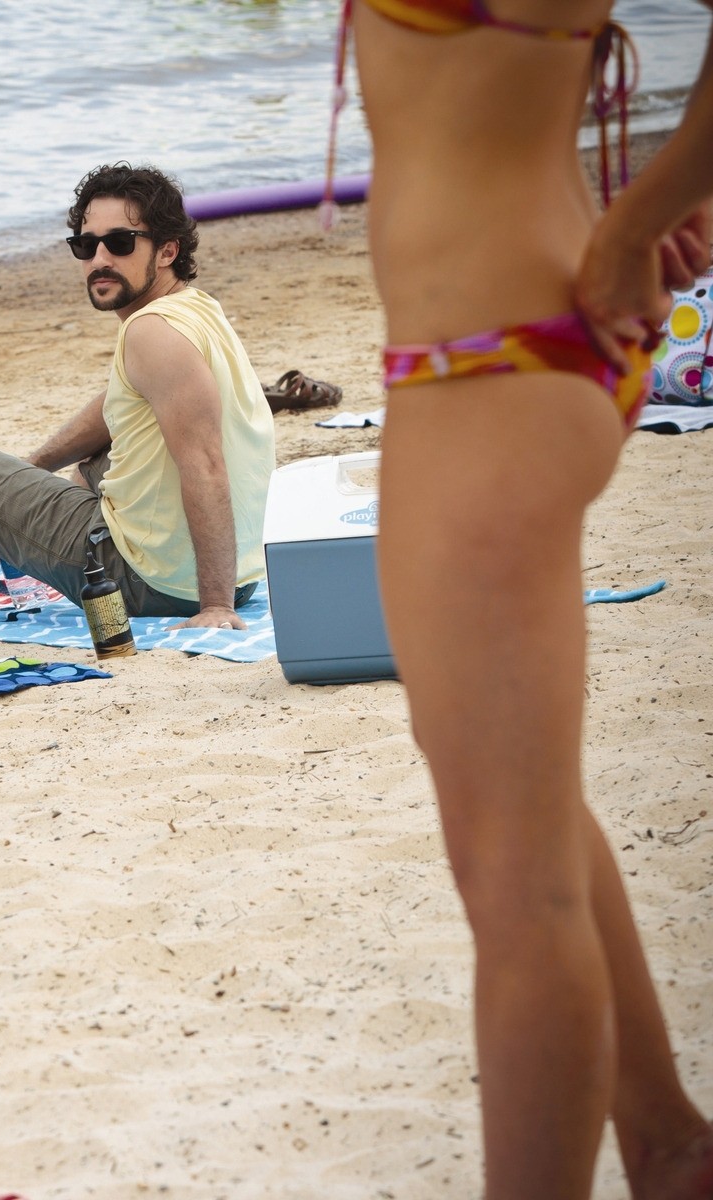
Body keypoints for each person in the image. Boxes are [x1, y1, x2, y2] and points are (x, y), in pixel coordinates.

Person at [349, 2, 713, 1196]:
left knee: (513, 882)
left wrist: (644, 216)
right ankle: (668, 1144)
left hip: (498, 360)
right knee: (518, 814)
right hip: (495, 349)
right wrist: (650, 207)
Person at [0, 163, 274, 630]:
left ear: (166, 250)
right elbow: (117, 405)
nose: (99, 259)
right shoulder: (195, 309)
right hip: (241, 575)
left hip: (148, 582)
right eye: (85, 244)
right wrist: (31, 470)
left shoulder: (150, 332)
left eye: (120, 243)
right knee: (93, 465)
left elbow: (206, 464)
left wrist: (215, 607)